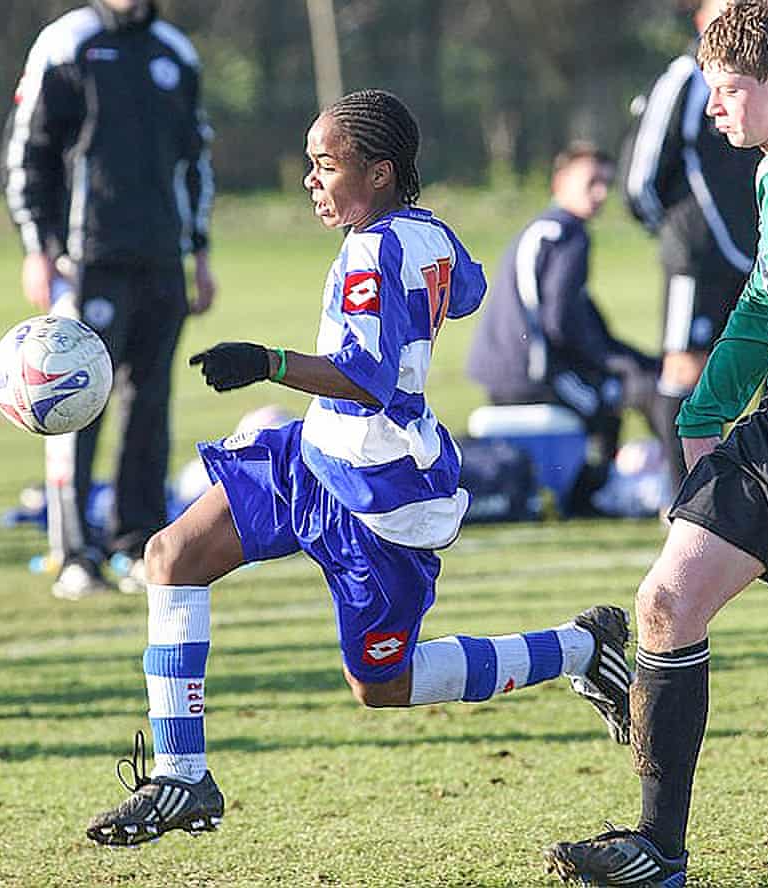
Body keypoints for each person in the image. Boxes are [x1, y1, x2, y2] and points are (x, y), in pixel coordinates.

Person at [84, 89, 633, 847]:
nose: (312, 180)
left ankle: (583, 648)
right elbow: (465, 289)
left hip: (381, 498)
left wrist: (268, 361)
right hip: (313, 458)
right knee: (170, 557)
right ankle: (184, 778)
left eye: (325, 165)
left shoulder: (373, 251)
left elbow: (370, 376)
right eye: (312, 164)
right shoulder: (425, 232)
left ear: (378, 173)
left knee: (384, 685)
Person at [546, 3, 768, 885]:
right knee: (666, 602)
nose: (713, 109)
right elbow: (765, 299)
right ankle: (658, 849)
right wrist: (705, 409)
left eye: (728, 90)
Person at [2, 0, 216, 600]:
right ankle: (73, 553)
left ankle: (137, 545)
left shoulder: (176, 49)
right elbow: (29, 151)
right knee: (72, 400)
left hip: (161, 260)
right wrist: (37, 248)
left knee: (150, 403)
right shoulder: (68, 43)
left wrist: (199, 250)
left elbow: (194, 159)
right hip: (85, 259)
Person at [466, 142, 666, 514]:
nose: (601, 193)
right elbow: (562, 323)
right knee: (622, 395)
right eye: (592, 182)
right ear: (560, 183)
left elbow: (583, 322)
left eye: (606, 183)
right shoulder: (567, 234)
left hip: (509, 372)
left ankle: (600, 487)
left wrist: (631, 358)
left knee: (628, 381)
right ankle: (621, 491)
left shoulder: (545, 230)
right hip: (532, 375)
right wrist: (623, 366)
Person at [621, 0, 759, 502]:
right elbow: (642, 178)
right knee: (687, 369)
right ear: (699, 15)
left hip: (763, 254)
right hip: (698, 258)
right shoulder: (684, 76)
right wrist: (683, 233)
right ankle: (686, 501)